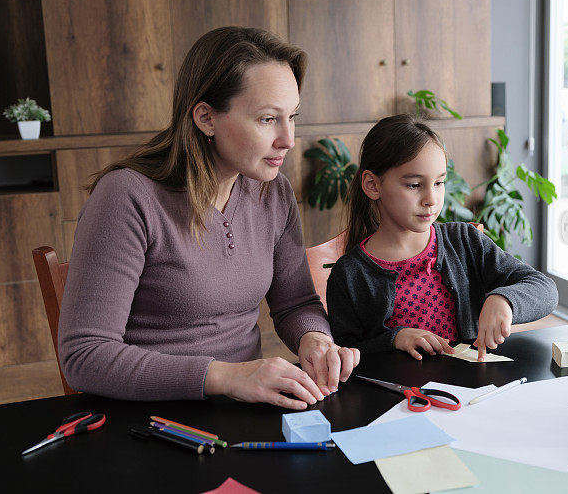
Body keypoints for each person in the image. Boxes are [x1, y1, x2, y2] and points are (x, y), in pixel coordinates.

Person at [58, 27, 359, 408]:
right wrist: (226, 376)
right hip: (149, 418)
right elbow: (85, 356)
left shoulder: (273, 191)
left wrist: (314, 338)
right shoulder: (127, 197)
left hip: (243, 407)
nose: (288, 139)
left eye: (292, 117)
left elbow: (295, 303)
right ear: (206, 118)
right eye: (268, 119)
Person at [326, 114, 558, 361]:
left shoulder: (465, 241)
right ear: (373, 185)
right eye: (414, 185)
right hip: (398, 397)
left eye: (439, 183)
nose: (431, 199)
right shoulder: (349, 274)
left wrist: (504, 300)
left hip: (472, 391)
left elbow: (545, 289)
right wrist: (394, 339)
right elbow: (344, 356)